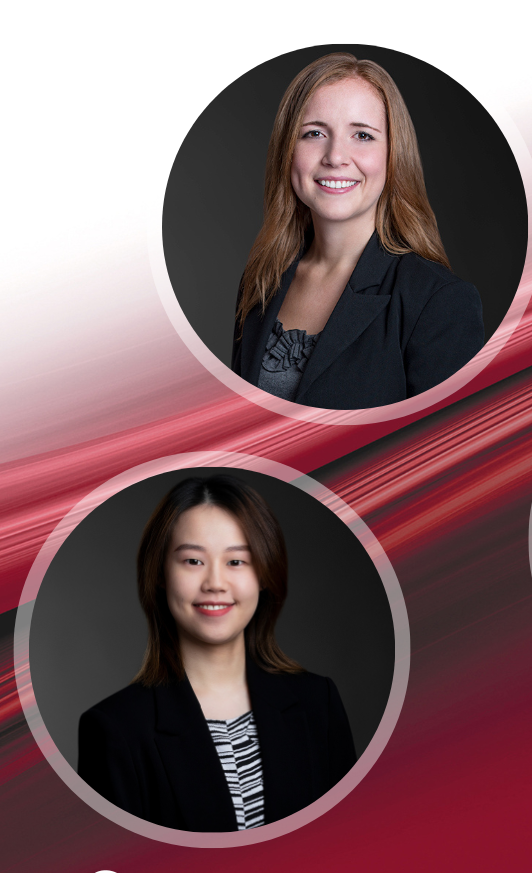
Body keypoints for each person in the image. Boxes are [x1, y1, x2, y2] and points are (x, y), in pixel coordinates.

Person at [78, 476, 356, 830]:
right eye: (193, 561)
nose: (215, 583)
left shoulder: (319, 703)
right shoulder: (114, 730)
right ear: (161, 573)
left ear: (265, 574)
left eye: (236, 562)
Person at [232, 53, 484, 409]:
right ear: (288, 150)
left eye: (363, 135)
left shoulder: (440, 302)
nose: (335, 156)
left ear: (393, 155)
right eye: (314, 133)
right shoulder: (261, 281)